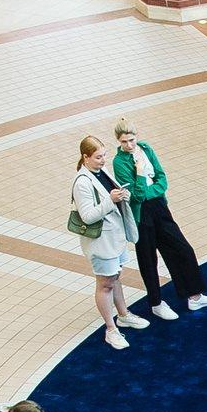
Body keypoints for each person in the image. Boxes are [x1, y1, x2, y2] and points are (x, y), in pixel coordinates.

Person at [108, 119, 207, 320]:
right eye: (124, 142)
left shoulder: (146, 148)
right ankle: (156, 302)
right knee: (148, 260)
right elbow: (135, 196)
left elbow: (162, 179)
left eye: (131, 140)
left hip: (159, 207)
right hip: (140, 215)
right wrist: (139, 173)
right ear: (118, 142)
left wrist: (150, 191)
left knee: (182, 249)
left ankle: (194, 295)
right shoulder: (118, 162)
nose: (129, 145)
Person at [70, 136, 141, 349]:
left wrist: (121, 195)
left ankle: (124, 314)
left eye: (104, 156)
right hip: (101, 243)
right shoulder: (82, 182)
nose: (103, 160)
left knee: (115, 276)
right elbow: (88, 216)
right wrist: (111, 200)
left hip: (113, 238)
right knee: (105, 283)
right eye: (98, 157)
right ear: (85, 157)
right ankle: (111, 329)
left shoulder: (101, 172)